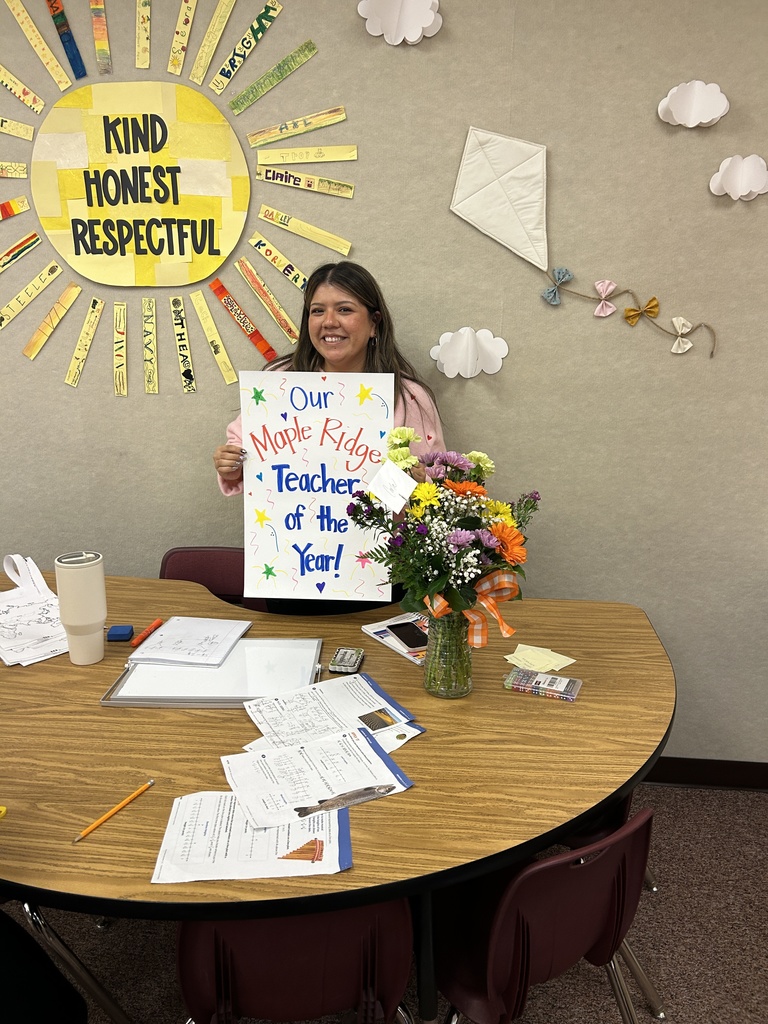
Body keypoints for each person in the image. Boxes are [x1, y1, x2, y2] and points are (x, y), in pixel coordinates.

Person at [212, 260, 445, 613]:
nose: (329, 322)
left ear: (374, 323)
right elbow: (248, 459)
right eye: (317, 311)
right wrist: (230, 465)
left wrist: (416, 483)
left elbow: (439, 486)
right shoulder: (279, 386)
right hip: (291, 572)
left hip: (382, 576)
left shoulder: (408, 397)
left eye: (345, 310)